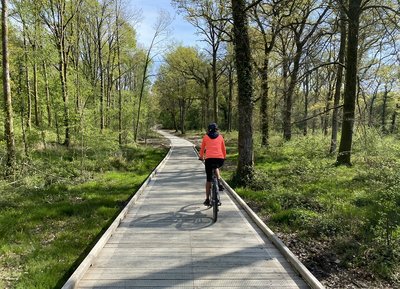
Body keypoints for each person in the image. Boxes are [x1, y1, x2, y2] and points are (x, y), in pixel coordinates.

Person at [198, 123, 226, 206]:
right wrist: (224, 157)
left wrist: (201, 157)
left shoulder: (206, 137)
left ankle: (207, 199)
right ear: (217, 129)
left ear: (208, 129)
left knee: (208, 179)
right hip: (219, 159)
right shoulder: (220, 137)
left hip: (209, 159)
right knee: (216, 166)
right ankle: (219, 182)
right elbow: (223, 148)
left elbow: (202, 148)